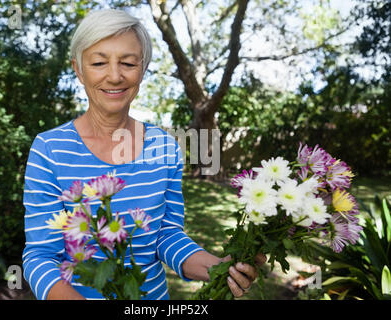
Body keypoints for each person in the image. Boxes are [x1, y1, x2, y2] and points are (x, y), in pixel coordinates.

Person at [22, 9, 265, 300]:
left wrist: (218, 268)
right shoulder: (49, 150)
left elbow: (165, 235)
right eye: (99, 62)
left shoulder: (165, 147)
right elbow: (40, 256)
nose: (115, 76)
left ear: (143, 68)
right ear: (78, 69)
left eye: (128, 62)